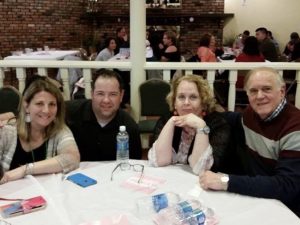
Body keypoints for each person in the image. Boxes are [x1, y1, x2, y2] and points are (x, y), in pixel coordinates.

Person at [199, 67, 300, 217]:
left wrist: (226, 181)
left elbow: (287, 186)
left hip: (287, 209)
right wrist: (200, 113)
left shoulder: (294, 128)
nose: (260, 96)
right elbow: (232, 118)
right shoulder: (251, 114)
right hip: (257, 197)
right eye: (253, 91)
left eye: (267, 89)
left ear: (282, 91)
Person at [0, 77, 80, 184]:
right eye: (39, 104)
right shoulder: (6, 131)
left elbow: (72, 158)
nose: (46, 110)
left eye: (52, 104)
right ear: (26, 106)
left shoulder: (59, 130)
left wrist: (25, 170)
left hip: (44, 195)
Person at [148, 74, 231, 175]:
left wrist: (201, 126)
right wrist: (172, 121)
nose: (186, 102)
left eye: (193, 97)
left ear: (203, 103)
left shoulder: (219, 124)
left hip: (206, 185)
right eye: (181, 97)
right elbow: (159, 161)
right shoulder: (166, 120)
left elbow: (201, 169)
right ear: (174, 103)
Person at [65, 69, 142, 161]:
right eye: (100, 94)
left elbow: (133, 165)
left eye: (113, 94)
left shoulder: (130, 128)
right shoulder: (68, 114)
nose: (106, 100)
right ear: (92, 94)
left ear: (121, 96)